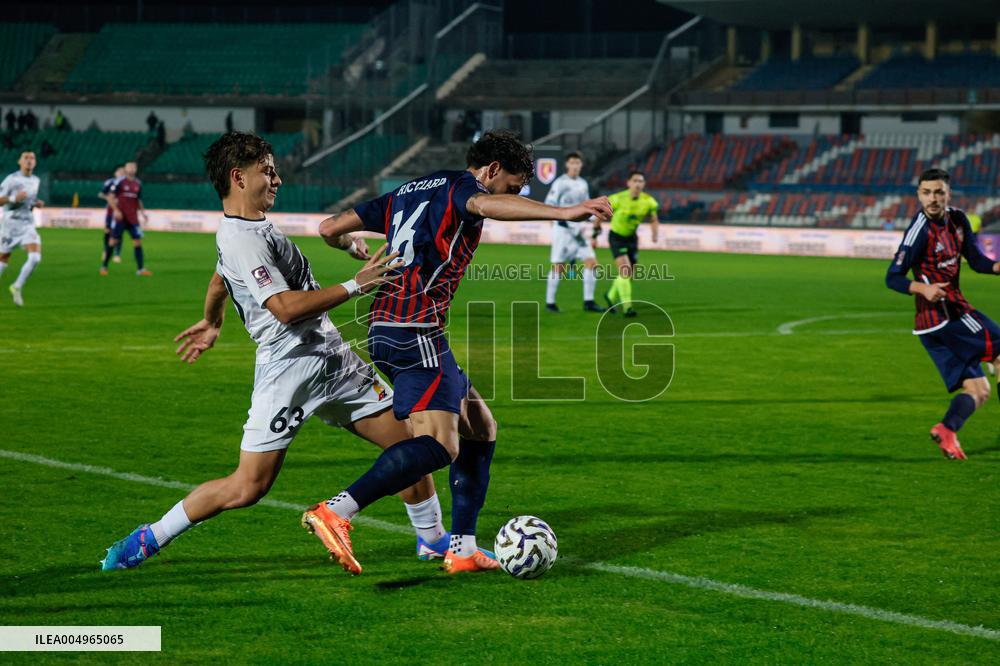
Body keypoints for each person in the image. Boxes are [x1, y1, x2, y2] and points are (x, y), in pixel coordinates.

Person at [101, 131, 448, 570]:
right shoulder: (241, 236)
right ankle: (150, 537)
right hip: (289, 371)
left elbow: (219, 277)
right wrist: (355, 285)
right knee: (248, 487)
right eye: (267, 171)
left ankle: (434, 541)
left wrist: (212, 320)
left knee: (410, 445)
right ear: (237, 177)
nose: (277, 179)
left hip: (332, 358)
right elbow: (283, 309)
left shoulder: (251, 228)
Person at [311, 129, 612, 575]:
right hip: (415, 331)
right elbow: (485, 204)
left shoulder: (412, 188)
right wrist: (565, 211)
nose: (514, 194)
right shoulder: (464, 189)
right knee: (439, 445)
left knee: (480, 427)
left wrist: (349, 244)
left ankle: (462, 548)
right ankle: (337, 511)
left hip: (389, 326)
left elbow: (328, 227)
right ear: (491, 170)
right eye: (513, 185)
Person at [885, 168, 1000, 460]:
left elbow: (974, 260)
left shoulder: (959, 219)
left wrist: (996, 267)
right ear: (918, 194)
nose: (932, 198)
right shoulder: (919, 230)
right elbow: (893, 277)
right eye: (926, 192)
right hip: (947, 315)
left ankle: (947, 430)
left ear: (948, 194)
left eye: (938, 192)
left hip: (931, 328)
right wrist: (921, 289)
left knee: (979, 389)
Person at [544, 151, 604, 313]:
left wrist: (595, 218)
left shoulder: (583, 183)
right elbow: (550, 205)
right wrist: (563, 223)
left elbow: (585, 207)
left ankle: (589, 302)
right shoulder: (560, 183)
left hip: (578, 232)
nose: (575, 165)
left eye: (578, 163)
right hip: (563, 230)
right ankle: (550, 303)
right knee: (559, 267)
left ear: (581, 165)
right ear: (567, 165)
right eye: (572, 162)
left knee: (592, 263)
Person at [604, 171, 659, 318]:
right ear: (628, 183)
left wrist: (655, 233)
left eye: (641, 181)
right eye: (635, 181)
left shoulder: (648, 201)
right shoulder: (617, 198)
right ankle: (627, 308)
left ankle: (610, 296)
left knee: (630, 275)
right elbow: (601, 213)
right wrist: (595, 233)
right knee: (625, 271)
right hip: (616, 237)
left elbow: (653, 219)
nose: (638, 184)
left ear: (644, 184)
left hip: (631, 239)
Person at [0, 151, 45, 307]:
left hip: (27, 223)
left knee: (35, 258)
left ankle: (17, 286)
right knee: (3, 260)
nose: (29, 160)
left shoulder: (36, 180)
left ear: (35, 162)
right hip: (10, 224)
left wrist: (35, 203)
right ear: (19, 161)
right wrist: (13, 198)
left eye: (32, 158)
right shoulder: (12, 179)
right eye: (25, 158)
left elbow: (28, 200)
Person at [101, 161, 151, 276]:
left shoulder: (138, 184)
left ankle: (140, 269)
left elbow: (138, 200)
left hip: (133, 218)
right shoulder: (119, 182)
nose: (132, 168)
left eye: (134, 167)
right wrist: (116, 210)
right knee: (113, 241)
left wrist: (143, 213)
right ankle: (104, 266)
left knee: (137, 242)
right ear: (125, 168)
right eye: (130, 166)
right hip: (121, 217)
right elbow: (110, 197)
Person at [98, 165, 125, 264]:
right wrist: (110, 199)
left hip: (121, 210)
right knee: (107, 230)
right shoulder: (110, 182)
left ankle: (117, 254)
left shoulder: (126, 183)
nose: (121, 173)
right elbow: (101, 194)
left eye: (123, 171)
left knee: (118, 231)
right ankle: (106, 250)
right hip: (110, 209)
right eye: (119, 171)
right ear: (116, 172)